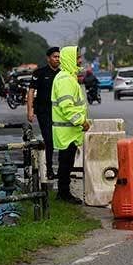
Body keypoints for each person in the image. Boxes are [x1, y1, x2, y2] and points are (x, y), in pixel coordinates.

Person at [51, 47, 89, 203]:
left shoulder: (68, 77)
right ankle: (63, 194)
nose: (80, 61)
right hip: (66, 132)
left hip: (69, 131)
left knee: (66, 164)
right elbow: (67, 107)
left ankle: (63, 193)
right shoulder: (66, 80)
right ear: (69, 59)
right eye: (77, 58)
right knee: (65, 165)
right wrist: (81, 121)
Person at [27, 47, 61, 179]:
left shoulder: (61, 74)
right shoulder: (39, 73)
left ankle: (60, 169)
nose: (57, 59)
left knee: (59, 141)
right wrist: (30, 110)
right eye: (55, 57)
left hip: (58, 113)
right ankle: (49, 169)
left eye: (59, 57)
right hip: (43, 112)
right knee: (49, 140)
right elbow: (31, 91)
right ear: (48, 58)